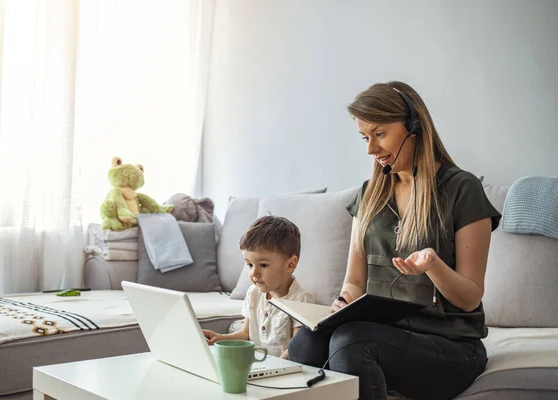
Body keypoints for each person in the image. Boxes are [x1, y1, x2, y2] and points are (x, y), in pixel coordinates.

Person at [288, 81, 501, 400]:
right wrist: (342, 304)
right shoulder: (370, 193)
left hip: (452, 347)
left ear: (413, 127)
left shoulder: (462, 189)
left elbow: (470, 297)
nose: (370, 149)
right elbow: (355, 281)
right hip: (387, 336)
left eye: (379, 133)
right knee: (305, 343)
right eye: (364, 137)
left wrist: (432, 265)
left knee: (352, 342)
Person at [203, 215, 315, 359]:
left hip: (282, 370)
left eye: (263, 265)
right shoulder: (253, 293)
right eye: (249, 264)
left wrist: (276, 367)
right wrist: (220, 338)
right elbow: (246, 334)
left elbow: (296, 348)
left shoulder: (301, 299)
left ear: (290, 264)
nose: (254, 273)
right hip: (256, 365)